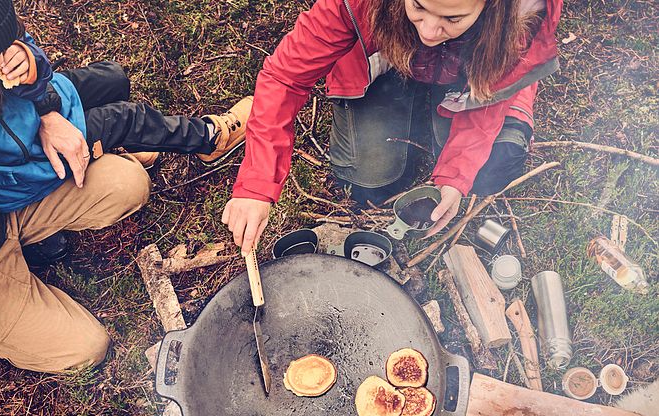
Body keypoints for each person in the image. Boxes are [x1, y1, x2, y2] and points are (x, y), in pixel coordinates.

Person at [0, 0, 252, 264]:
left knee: (114, 78)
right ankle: (209, 139)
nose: (1, 56)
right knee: (126, 118)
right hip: (19, 164)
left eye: (5, 44)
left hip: (34, 108)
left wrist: (29, 65)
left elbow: (27, 55)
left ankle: (115, 146)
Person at [222, 0, 561, 254]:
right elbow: (285, 77)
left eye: (452, 18)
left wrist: (456, 177)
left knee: (495, 165)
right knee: (368, 180)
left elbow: (487, 96)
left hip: (468, 73)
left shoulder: (519, 15)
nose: (428, 31)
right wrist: (256, 184)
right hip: (383, 63)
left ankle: (513, 101)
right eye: (418, 6)